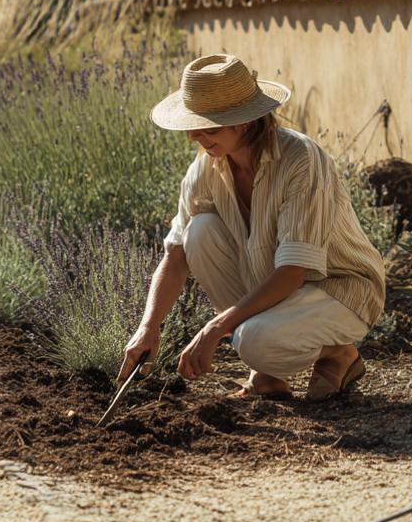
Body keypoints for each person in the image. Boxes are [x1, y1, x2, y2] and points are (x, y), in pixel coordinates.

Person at [118, 53, 387, 400]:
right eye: (193, 128)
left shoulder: (301, 160)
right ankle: (268, 372)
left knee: (251, 341)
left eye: (210, 127)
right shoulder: (204, 170)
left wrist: (216, 328)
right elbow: (175, 255)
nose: (199, 138)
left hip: (340, 289)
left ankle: (337, 351)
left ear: (244, 121)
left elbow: (292, 273)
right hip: (280, 289)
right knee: (197, 232)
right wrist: (148, 328)